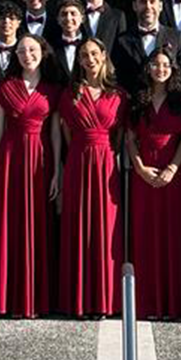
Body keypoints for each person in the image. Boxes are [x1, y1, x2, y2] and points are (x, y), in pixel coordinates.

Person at [0, 35, 63, 318]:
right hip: (10, 155)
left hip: (40, 158)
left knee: (38, 221)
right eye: (21, 51)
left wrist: (57, 170)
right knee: (10, 220)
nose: (26, 54)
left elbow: (55, 132)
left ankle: (37, 297)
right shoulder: (5, 87)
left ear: (42, 52)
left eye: (32, 49)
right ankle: (7, 297)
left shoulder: (53, 90)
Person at [55, 38, 128, 318]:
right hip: (78, 161)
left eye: (94, 53)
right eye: (84, 55)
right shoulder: (70, 93)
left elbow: (120, 136)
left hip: (107, 163)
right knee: (78, 226)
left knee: (105, 229)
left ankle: (105, 299)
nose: (89, 59)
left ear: (103, 56)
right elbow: (65, 132)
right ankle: (79, 299)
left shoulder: (119, 94)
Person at [126, 49, 181, 320]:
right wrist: (140, 167)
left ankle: (175, 303)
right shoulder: (138, 101)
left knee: (174, 235)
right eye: (155, 64)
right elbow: (130, 139)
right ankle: (148, 302)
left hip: (174, 175)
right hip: (143, 174)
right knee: (147, 235)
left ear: (173, 69)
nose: (160, 69)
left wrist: (173, 168)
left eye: (165, 64)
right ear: (148, 69)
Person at [113, 0, 181, 95]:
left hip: (169, 106)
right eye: (143, 2)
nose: (148, 6)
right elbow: (118, 75)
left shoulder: (176, 37)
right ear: (134, 6)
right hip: (135, 106)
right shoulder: (122, 40)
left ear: (160, 6)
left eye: (152, 1)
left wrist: (174, 98)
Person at [51, 0, 88, 79]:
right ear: (58, 19)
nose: (68, 18)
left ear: (82, 18)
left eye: (73, 13)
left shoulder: (90, 44)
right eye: (64, 14)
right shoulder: (50, 47)